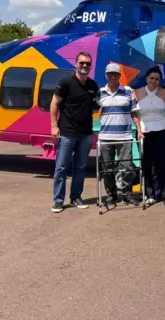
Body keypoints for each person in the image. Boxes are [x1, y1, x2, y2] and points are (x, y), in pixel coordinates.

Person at [50, 51, 99, 213]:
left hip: (85, 134)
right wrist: (54, 126)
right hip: (67, 133)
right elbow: (54, 104)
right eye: (82, 63)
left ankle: (76, 197)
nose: (85, 66)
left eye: (88, 64)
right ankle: (58, 200)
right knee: (61, 167)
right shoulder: (65, 83)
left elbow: (96, 105)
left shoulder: (93, 85)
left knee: (80, 167)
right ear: (76, 64)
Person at [97, 62, 142, 206]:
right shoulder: (100, 93)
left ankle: (127, 193)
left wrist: (139, 130)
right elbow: (91, 111)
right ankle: (112, 194)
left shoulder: (128, 91)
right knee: (107, 168)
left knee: (127, 167)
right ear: (106, 75)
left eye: (115, 74)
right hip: (105, 137)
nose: (112, 76)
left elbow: (134, 112)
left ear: (119, 76)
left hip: (124, 136)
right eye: (109, 74)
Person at [132, 66, 165, 205]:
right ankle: (148, 191)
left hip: (163, 129)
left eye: (157, 79)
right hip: (144, 130)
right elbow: (134, 113)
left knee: (160, 163)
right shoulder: (136, 93)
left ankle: (157, 193)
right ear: (146, 78)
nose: (154, 81)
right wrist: (138, 129)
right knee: (146, 162)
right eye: (151, 78)